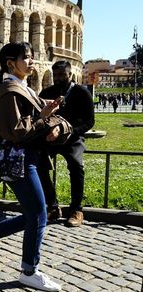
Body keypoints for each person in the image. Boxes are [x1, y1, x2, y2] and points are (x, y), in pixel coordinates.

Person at [0, 42, 66, 292]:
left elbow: (34, 121)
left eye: (33, 56)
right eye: (27, 57)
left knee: (35, 213)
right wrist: (43, 117)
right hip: (18, 160)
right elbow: (15, 131)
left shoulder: (22, 88)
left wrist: (53, 122)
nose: (32, 60)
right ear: (11, 63)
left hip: (27, 159)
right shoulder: (9, 91)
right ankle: (29, 271)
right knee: (39, 213)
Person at [38, 60, 95, 227]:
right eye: (56, 75)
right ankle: (52, 206)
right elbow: (40, 116)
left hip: (73, 138)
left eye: (62, 74)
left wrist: (71, 132)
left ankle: (77, 209)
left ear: (70, 75)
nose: (58, 78)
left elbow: (90, 121)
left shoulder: (81, 93)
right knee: (39, 163)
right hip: (51, 138)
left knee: (76, 165)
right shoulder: (47, 92)